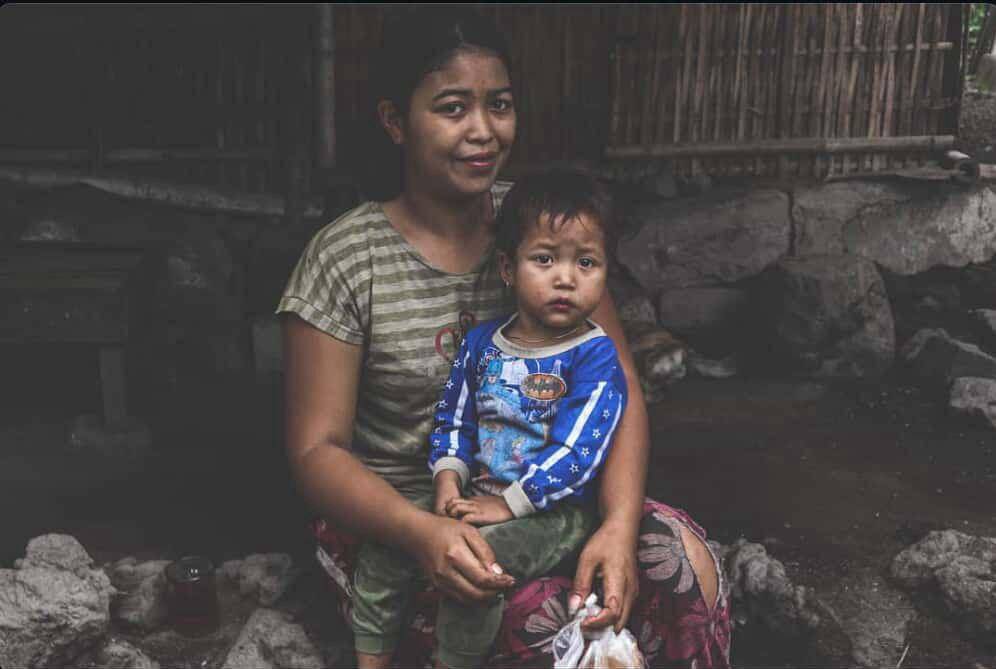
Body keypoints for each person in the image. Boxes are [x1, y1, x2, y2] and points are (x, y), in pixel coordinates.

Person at [278, 6, 731, 668]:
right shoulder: (346, 258)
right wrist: (422, 528)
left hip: (543, 500)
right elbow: (316, 450)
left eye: (500, 105)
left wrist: (616, 523)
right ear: (395, 122)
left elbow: (620, 387)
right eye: (453, 108)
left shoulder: (544, 227)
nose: (483, 131)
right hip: (399, 521)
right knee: (544, 623)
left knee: (683, 561)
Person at [348, 168, 629, 669]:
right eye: (544, 259)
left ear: (605, 272)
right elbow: (453, 420)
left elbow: (578, 453)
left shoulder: (595, 357)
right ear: (507, 268)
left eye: (586, 262)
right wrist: (448, 483)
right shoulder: (482, 345)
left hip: (554, 512)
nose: (565, 278)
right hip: (479, 491)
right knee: (387, 543)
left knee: (478, 561)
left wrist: (510, 505)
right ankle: (371, 659)